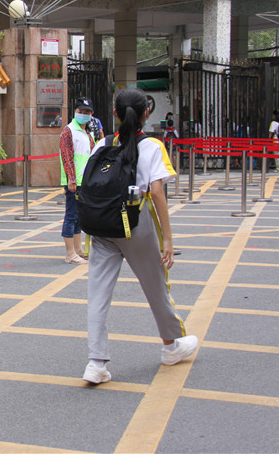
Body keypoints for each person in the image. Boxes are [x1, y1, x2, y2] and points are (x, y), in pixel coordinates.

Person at [82, 88, 197, 385]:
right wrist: (168, 238)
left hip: (102, 225)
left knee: (97, 295)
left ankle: (96, 363)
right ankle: (171, 345)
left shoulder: (102, 144)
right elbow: (156, 193)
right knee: (156, 286)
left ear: (116, 114)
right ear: (146, 113)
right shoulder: (153, 146)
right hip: (135, 222)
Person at [59, 96, 95, 264]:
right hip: (74, 181)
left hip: (84, 180)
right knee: (71, 215)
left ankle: (78, 249)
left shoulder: (88, 133)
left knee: (79, 216)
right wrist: (71, 179)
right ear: (75, 111)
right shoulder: (69, 130)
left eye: (87, 112)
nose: (84, 114)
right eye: (81, 111)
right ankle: (70, 253)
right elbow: (67, 156)